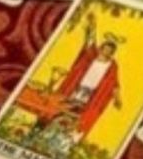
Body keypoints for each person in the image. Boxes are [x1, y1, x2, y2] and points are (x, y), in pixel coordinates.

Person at [52, 12, 122, 143]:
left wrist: (117, 98)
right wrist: (93, 26)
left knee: (78, 117)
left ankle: (67, 140)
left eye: (109, 50)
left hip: (92, 96)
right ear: (101, 48)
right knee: (62, 110)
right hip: (75, 90)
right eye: (105, 48)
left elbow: (114, 83)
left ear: (112, 53)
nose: (106, 51)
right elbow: (90, 40)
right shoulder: (92, 55)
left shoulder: (112, 66)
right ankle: (51, 131)